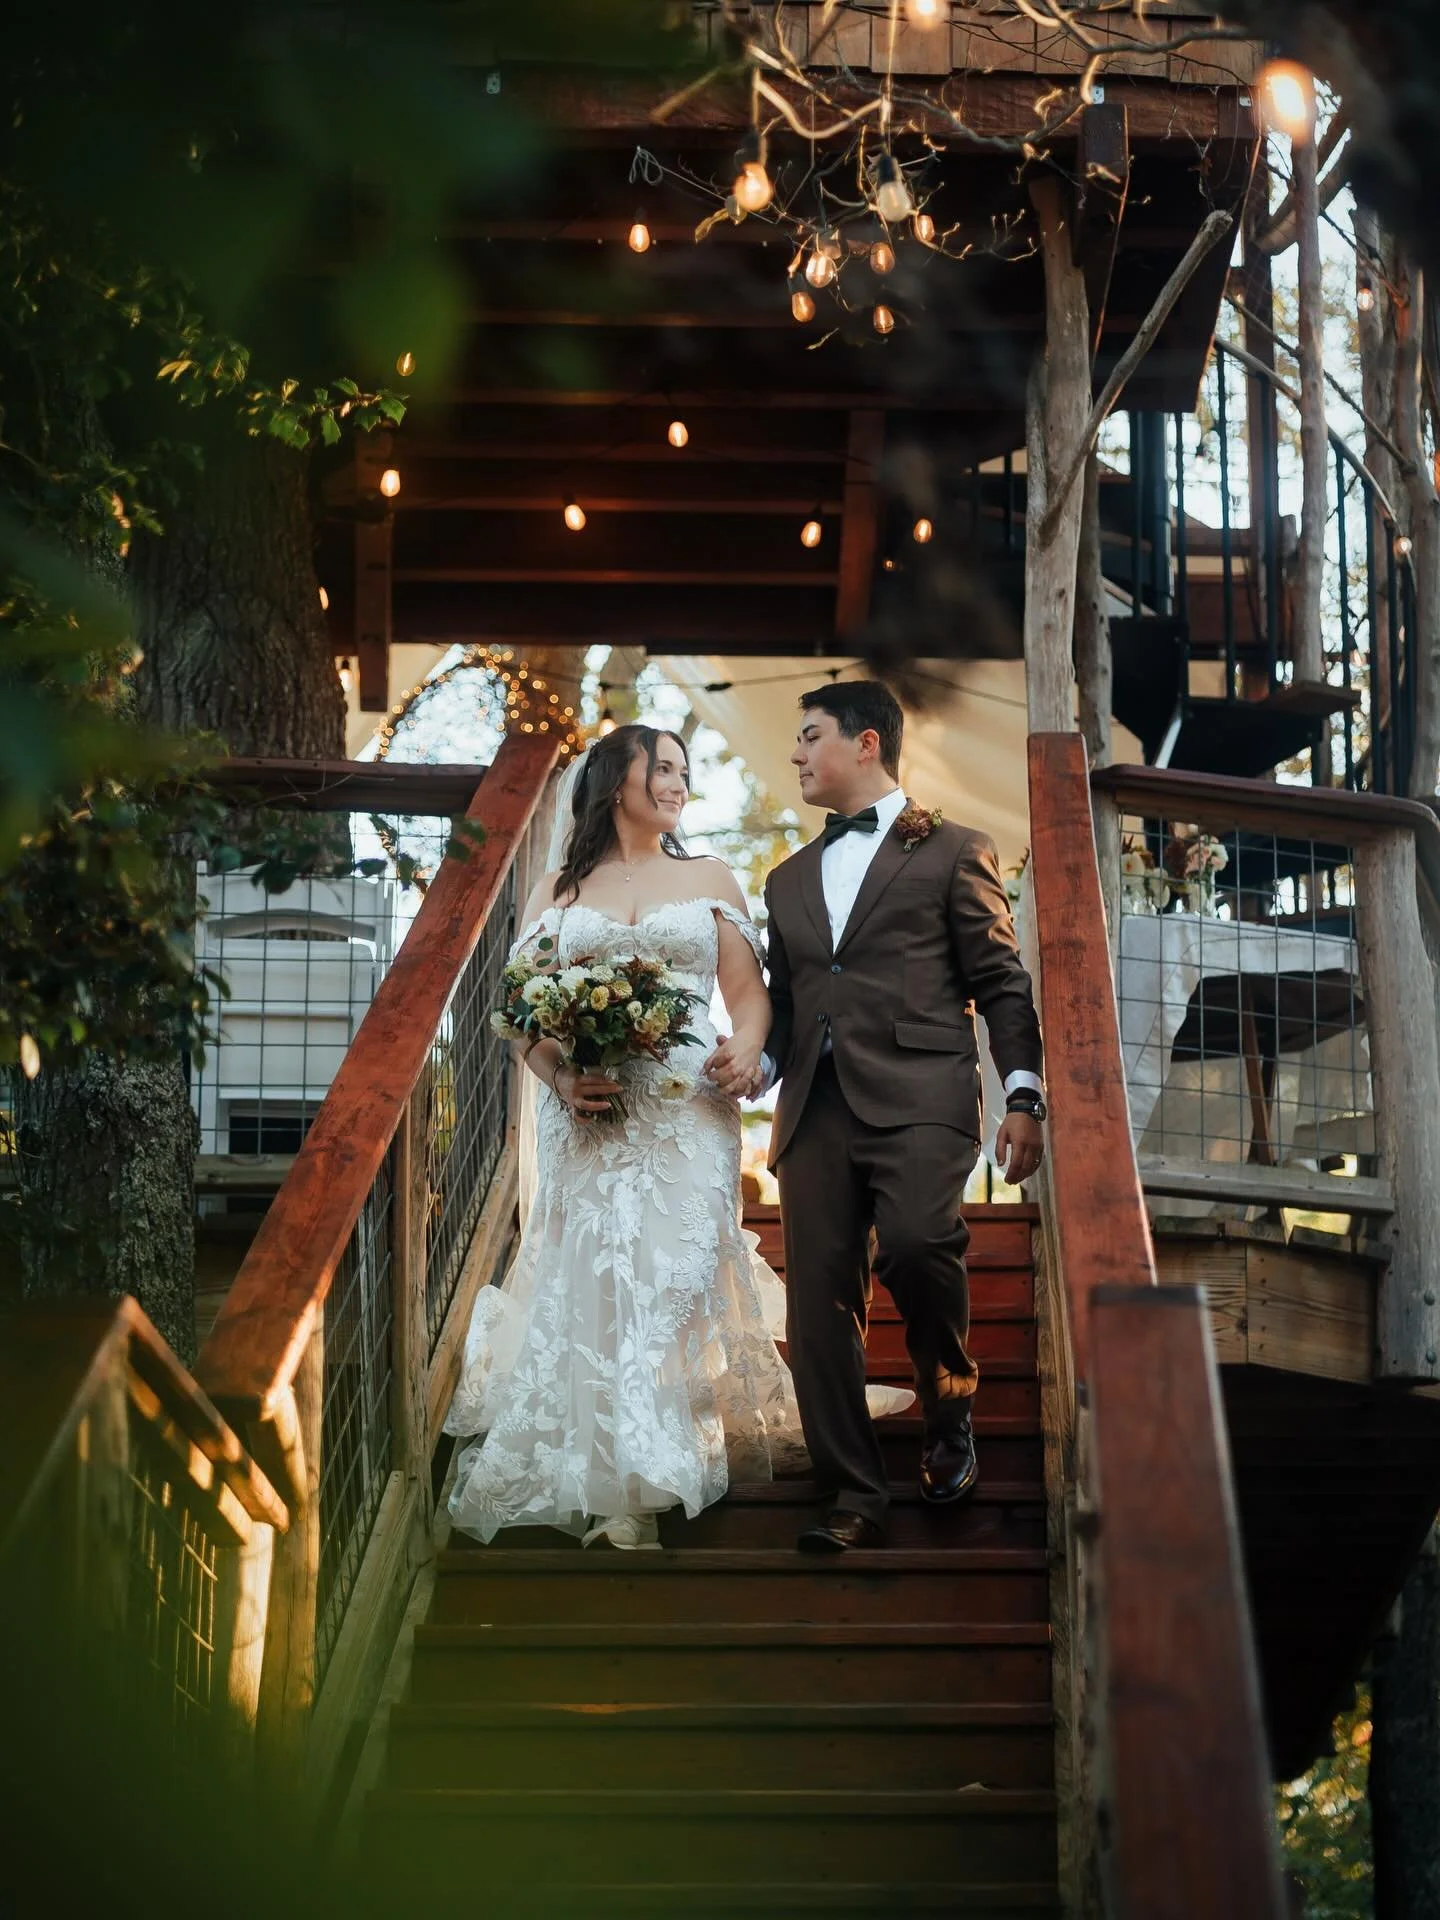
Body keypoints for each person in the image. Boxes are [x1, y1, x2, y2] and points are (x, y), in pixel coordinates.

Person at [444, 723, 907, 1550]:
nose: (676, 782)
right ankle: (612, 1470)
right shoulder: (556, 888)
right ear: (615, 777)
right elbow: (518, 1016)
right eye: (661, 768)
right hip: (591, 1112)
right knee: (598, 1274)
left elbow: (747, 990)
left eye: (684, 772)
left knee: (673, 1275)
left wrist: (751, 1046)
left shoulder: (710, 876)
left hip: (689, 1106)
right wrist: (558, 1076)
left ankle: (660, 1455)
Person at [708, 681, 1045, 1553]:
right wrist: (763, 1060)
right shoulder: (785, 880)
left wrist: (1023, 1094)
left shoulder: (957, 849)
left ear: (865, 744)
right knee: (818, 1308)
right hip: (813, 1109)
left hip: (923, 1097)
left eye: (809, 736)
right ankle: (853, 1494)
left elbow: (1002, 984)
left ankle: (950, 1409)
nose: (794, 755)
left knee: (920, 1243)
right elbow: (787, 1000)